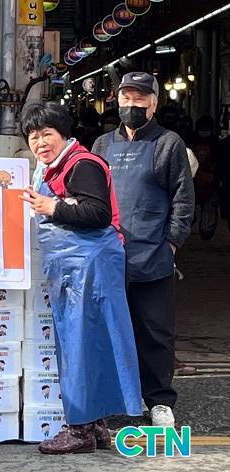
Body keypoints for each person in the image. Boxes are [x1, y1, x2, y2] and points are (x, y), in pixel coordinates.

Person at [20, 101, 142, 455]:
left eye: (46, 134)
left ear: (63, 134)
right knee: (94, 343)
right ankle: (97, 423)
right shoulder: (50, 169)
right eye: (33, 136)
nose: (40, 142)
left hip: (89, 269)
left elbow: (98, 213)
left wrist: (52, 207)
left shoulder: (82, 164)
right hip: (77, 269)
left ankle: (79, 430)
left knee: (80, 345)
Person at [92, 72, 195, 427]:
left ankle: (160, 401)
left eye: (140, 99)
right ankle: (116, 398)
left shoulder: (168, 143)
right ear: (117, 100)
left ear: (153, 104)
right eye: (127, 98)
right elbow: (91, 194)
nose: (132, 105)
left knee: (155, 332)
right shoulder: (102, 145)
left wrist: (172, 242)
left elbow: (183, 198)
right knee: (111, 330)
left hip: (153, 255)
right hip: (109, 256)